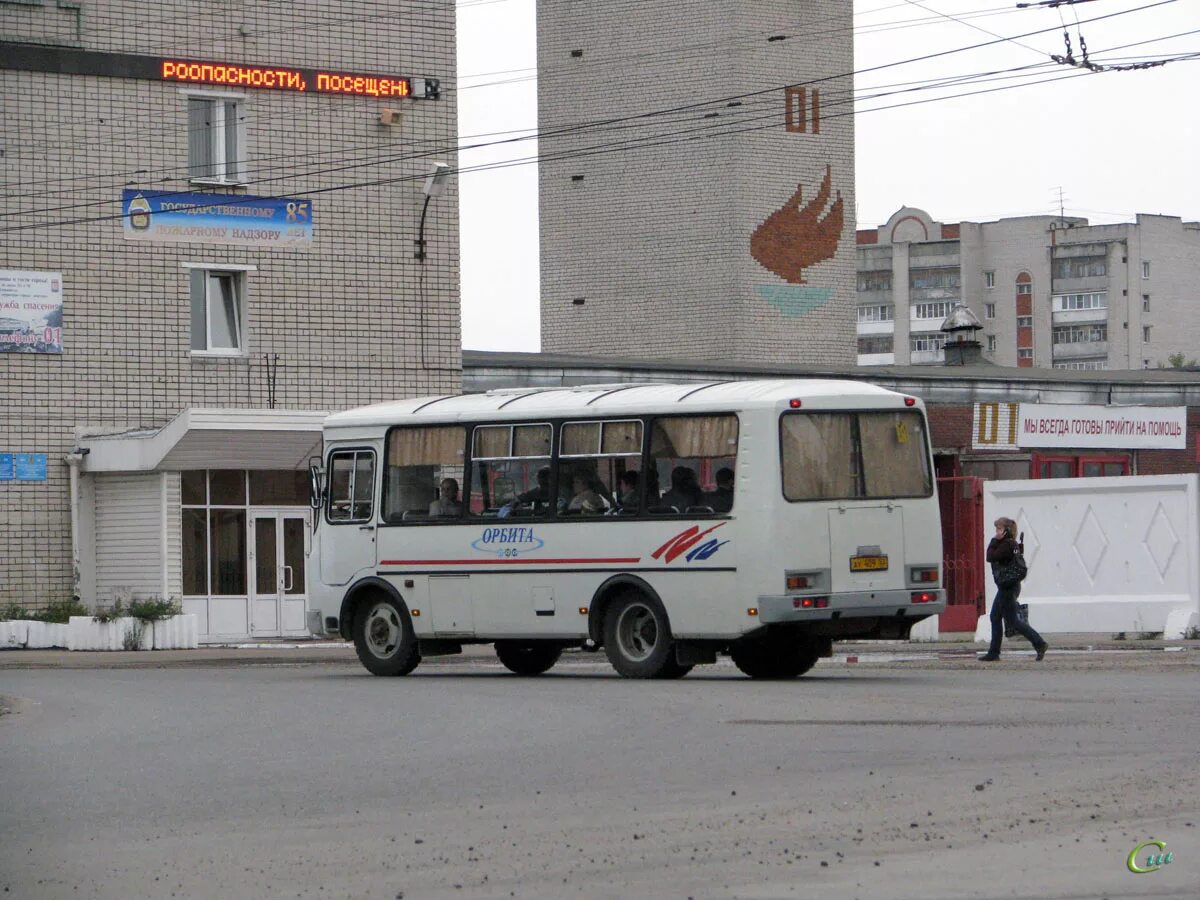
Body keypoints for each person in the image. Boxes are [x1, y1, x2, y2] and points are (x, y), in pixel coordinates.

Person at [980, 517, 1047, 662]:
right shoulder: (1010, 544)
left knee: (1012, 620)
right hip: (1008, 585)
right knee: (996, 617)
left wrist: (993, 541)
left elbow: (990, 556)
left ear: (1006, 531)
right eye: (996, 529)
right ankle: (994, 652)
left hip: (1008, 587)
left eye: (999, 529)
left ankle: (1039, 643)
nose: (996, 532)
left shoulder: (1006, 545)